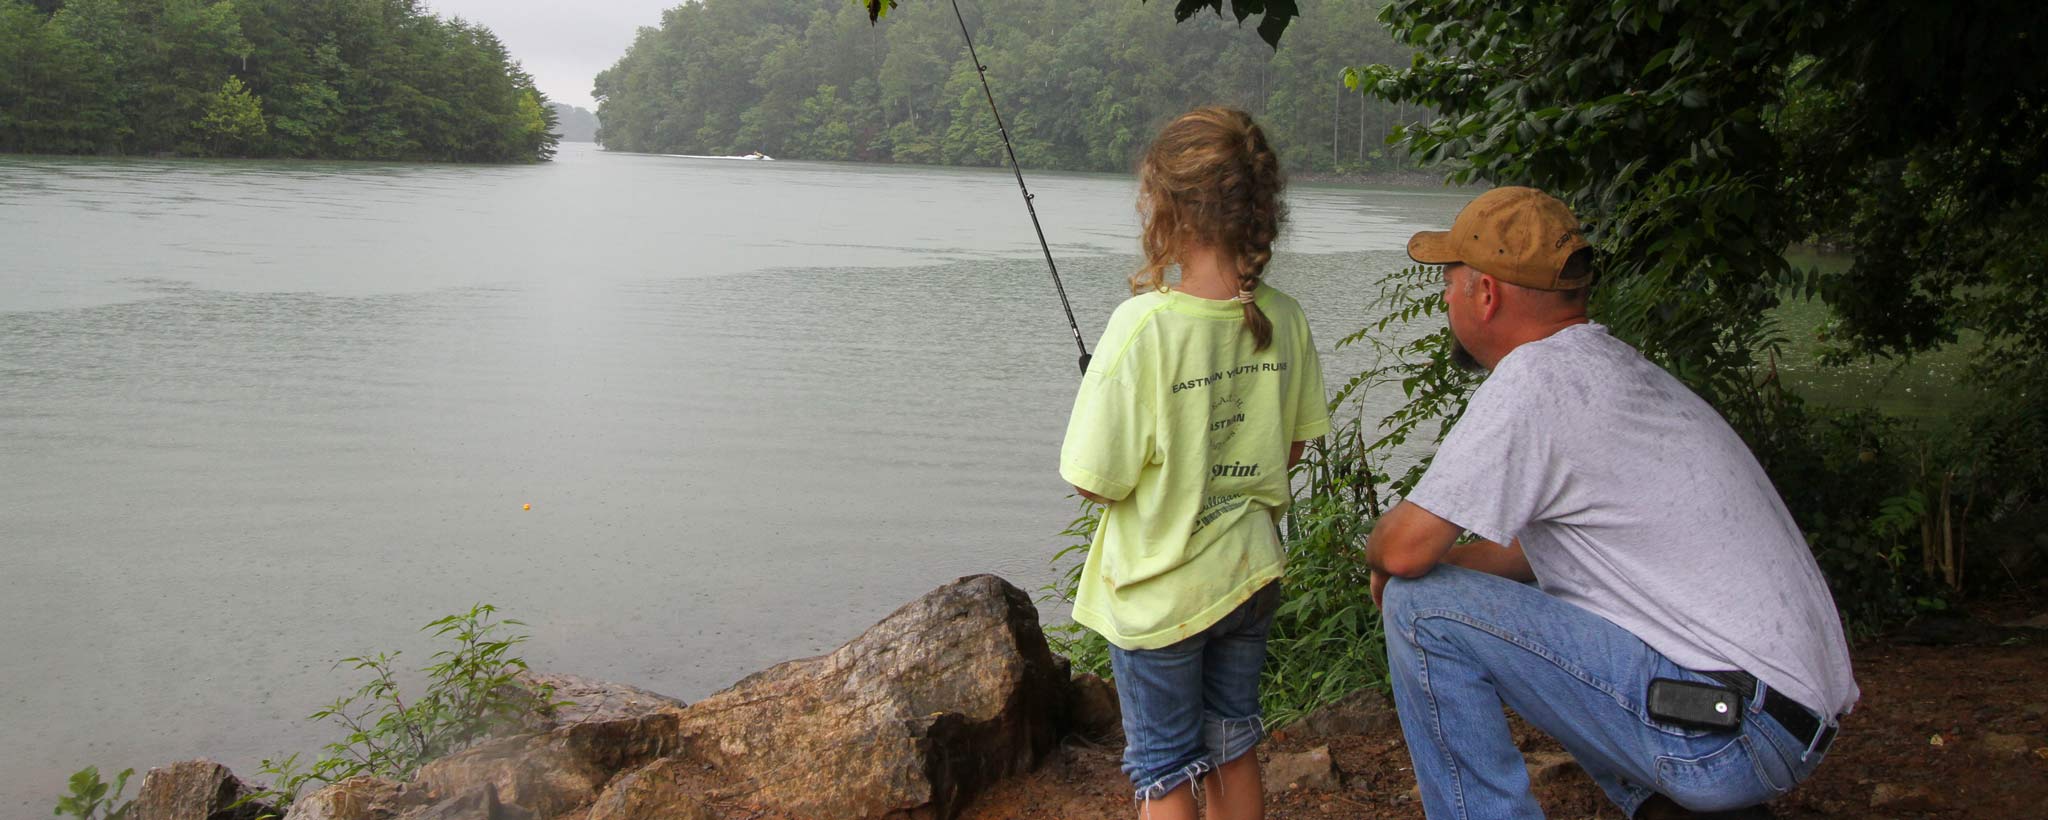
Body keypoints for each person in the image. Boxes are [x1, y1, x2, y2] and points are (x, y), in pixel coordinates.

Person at [1364, 187, 1859, 819]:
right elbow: (1526, 557)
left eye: (1451, 282)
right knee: (1550, 607)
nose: (1444, 298)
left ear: (1484, 294)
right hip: (1777, 720)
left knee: (1420, 607)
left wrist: (1385, 562)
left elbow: (1405, 550)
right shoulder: (1613, 370)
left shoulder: (1535, 380)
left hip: (1730, 732)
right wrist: (1445, 568)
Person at [1060, 107, 1329, 820]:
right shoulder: (1287, 317)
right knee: (1234, 744)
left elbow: (1094, 480)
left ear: (1167, 212)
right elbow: (1290, 448)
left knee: (1165, 768)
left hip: (1161, 596)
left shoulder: (1141, 327)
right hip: (1248, 575)